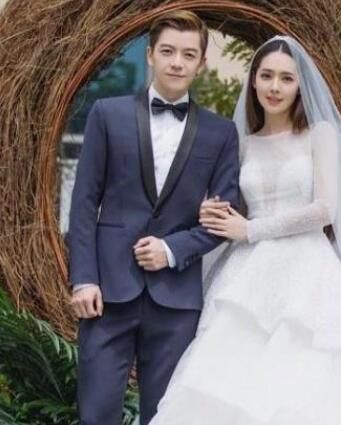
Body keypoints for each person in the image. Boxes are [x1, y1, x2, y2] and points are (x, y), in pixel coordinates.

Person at [147, 36, 341, 424]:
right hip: (247, 275)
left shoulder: (321, 135)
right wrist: (210, 210)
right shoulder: (243, 144)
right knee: (231, 376)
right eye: (266, 76)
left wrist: (251, 229)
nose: (275, 87)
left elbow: (324, 209)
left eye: (286, 79)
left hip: (308, 272)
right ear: (253, 80)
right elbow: (230, 207)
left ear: (300, 86)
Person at [67, 11, 240, 425]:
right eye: (167, 51)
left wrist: (172, 249)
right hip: (108, 293)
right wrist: (84, 278)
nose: (177, 62)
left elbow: (225, 217)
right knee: (96, 413)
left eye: (188, 54)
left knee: (165, 416)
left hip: (176, 299)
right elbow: (84, 202)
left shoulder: (221, 133)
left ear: (201, 63)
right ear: (150, 55)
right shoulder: (107, 115)